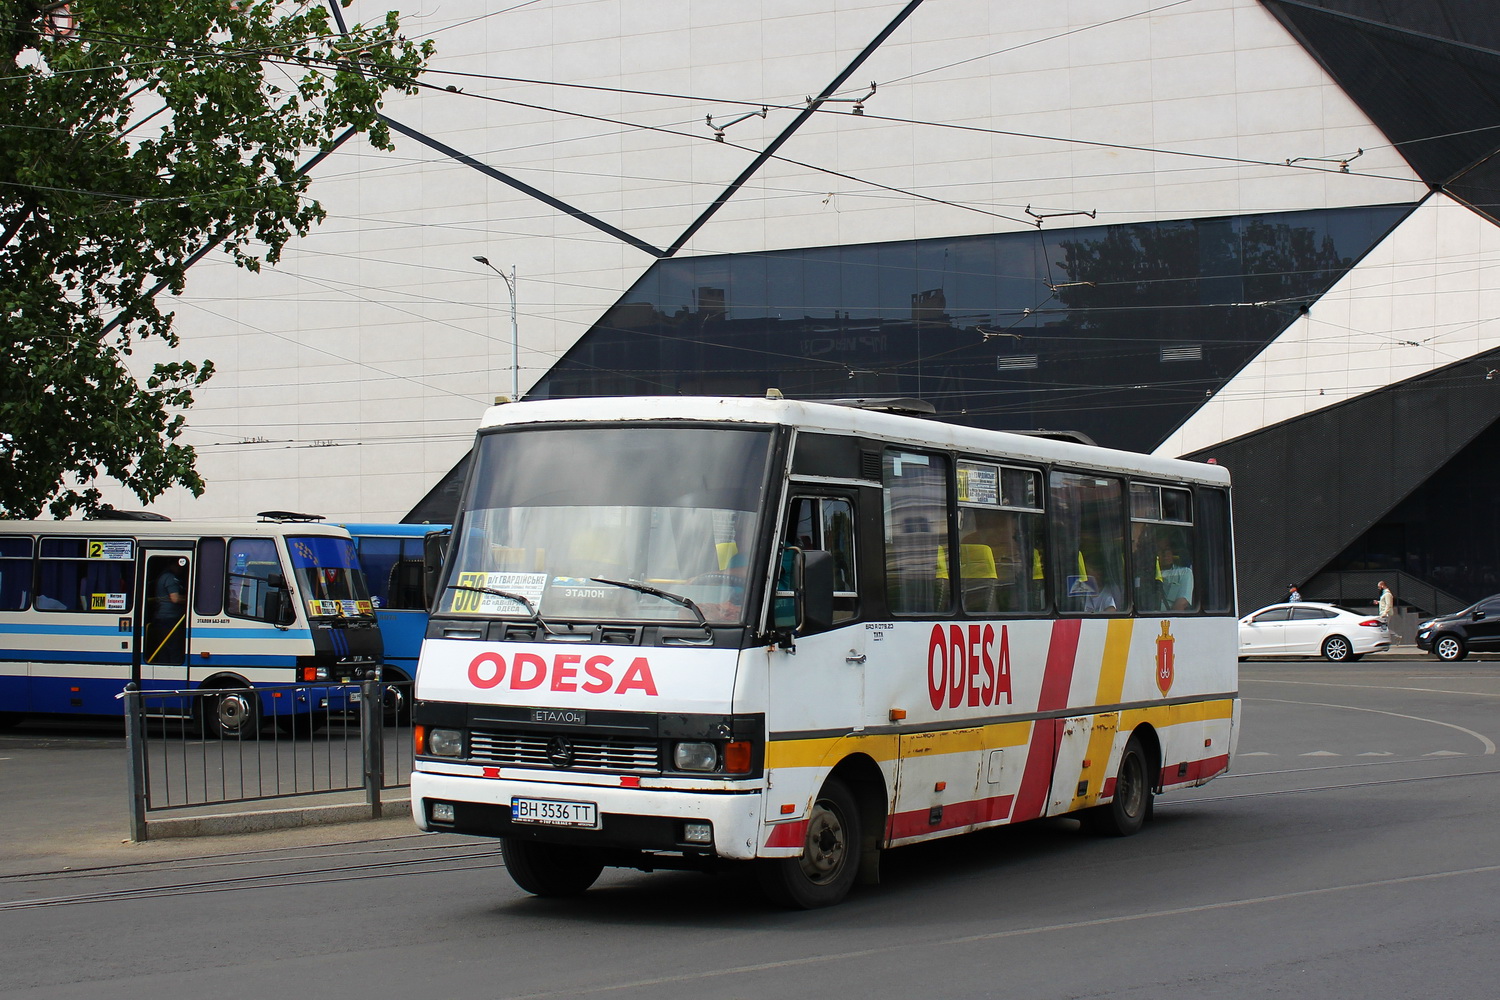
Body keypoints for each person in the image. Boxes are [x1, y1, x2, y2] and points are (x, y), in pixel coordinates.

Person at [149, 563, 187, 663]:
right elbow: (175, 598)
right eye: (179, 566)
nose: (181, 569)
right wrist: (189, 600)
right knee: (173, 648)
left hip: (162, 618)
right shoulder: (170, 578)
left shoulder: (163, 577)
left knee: (164, 649)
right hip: (170, 619)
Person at [1157, 540, 1193, 611]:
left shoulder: (1184, 572)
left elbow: (1182, 603)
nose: (1165, 554)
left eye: (1167, 550)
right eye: (1160, 550)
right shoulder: (1148, 575)